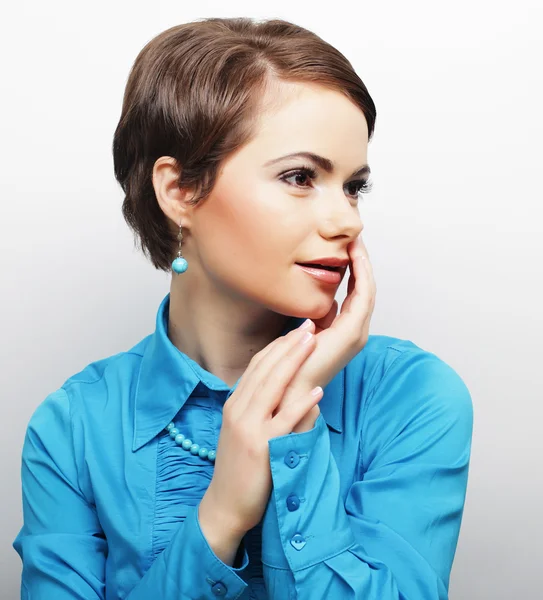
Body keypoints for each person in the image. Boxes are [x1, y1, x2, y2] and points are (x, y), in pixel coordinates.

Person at [13, 16, 473, 600]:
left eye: (354, 186)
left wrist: (292, 417)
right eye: (300, 176)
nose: (348, 220)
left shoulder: (410, 396)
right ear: (179, 191)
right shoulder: (73, 428)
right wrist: (221, 517)